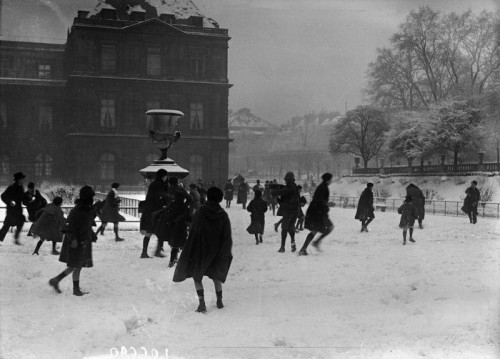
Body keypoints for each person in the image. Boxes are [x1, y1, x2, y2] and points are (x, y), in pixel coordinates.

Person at [173, 187, 233, 313]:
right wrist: (225, 251)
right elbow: (227, 236)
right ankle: (219, 300)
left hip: (201, 249)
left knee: (197, 276)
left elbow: (194, 231)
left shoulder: (200, 212)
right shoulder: (223, 215)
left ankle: (201, 303)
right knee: (216, 276)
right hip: (216, 250)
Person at [48, 186, 96, 296]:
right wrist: (74, 239)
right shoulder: (77, 210)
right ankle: (74, 289)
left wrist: (92, 235)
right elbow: (69, 226)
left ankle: (56, 280)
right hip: (76, 242)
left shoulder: (86, 209)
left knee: (75, 265)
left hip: (82, 240)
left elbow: (87, 224)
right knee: (76, 265)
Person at [299, 173, 334, 256]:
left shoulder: (322, 187)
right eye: (331, 179)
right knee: (328, 227)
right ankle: (314, 243)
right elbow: (320, 201)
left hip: (317, 211)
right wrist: (327, 206)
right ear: (328, 180)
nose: (331, 181)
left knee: (315, 230)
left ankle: (305, 248)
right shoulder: (323, 188)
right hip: (317, 212)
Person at [140, 169, 169, 258]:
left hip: (149, 210)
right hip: (156, 211)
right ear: (163, 176)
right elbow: (159, 197)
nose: (166, 177)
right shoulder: (160, 184)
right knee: (161, 229)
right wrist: (163, 205)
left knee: (149, 231)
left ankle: (144, 252)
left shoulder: (153, 183)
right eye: (165, 176)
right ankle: (157, 251)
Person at [271, 172, 300, 253]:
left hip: (289, 209)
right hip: (295, 209)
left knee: (284, 227)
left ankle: (282, 247)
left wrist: (276, 192)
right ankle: (293, 244)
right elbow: (285, 194)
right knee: (291, 227)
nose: (286, 181)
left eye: (286, 179)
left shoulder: (291, 186)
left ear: (288, 179)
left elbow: (285, 191)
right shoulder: (294, 186)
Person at [165, 191, 190, 268]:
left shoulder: (171, 205)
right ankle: (175, 260)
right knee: (181, 244)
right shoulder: (184, 206)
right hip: (181, 227)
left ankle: (172, 260)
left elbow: (167, 214)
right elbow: (187, 217)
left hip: (172, 227)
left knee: (174, 244)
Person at [0, 172, 27, 245]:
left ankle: (16, 238)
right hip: (11, 210)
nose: (23, 180)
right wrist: (9, 201)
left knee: (20, 221)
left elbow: (22, 197)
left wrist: (27, 199)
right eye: (22, 179)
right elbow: (3, 196)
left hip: (18, 210)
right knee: (7, 225)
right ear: (18, 179)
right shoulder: (11, 187)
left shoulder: (21, 187)